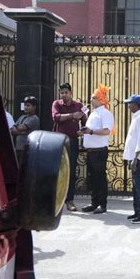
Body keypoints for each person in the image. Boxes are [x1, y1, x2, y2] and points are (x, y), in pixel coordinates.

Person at [80, 85, 114, 215]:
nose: (91, 100)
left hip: (99, 151)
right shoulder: (93, 113)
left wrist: (91, 131)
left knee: (100, 178)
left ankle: (102, 204)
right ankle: (94, 202)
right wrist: (83, 132)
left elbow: (106, 131)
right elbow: (90, 130)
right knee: (93, 179)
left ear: (100, 99)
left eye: (93, 98)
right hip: (91, 151)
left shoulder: (105, 113)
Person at [52, 83, 85, 211]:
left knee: (71, 170)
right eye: (62, 92)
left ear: (71, 93)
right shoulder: (56, 104)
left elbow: (85, 120)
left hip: (72, 141)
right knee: (58, 170)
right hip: (59, 141)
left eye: (66, 92)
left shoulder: (79, 105)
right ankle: (56, 199)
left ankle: (69, 200)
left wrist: (83, 131)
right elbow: (56, 117)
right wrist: (72, 116)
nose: (64, 95)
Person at [122, 94, 140, 224]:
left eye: (131, 103)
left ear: (136, 104)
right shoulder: (137, 117)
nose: (129, 106)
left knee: (139, 187)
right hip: (134, 157)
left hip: (139, 158)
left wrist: (135, 159)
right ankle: (137, 211)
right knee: (135, 187)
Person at [10, 96, 40, 163]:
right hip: (18, 148)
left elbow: (22, 127)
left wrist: (18, 130)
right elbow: (12, 129)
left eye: (28, 105)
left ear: (34, 107)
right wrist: (21, 132)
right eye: (25, 105)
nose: (25, 107)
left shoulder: (34, 118)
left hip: (28, 149)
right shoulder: (22, 117)